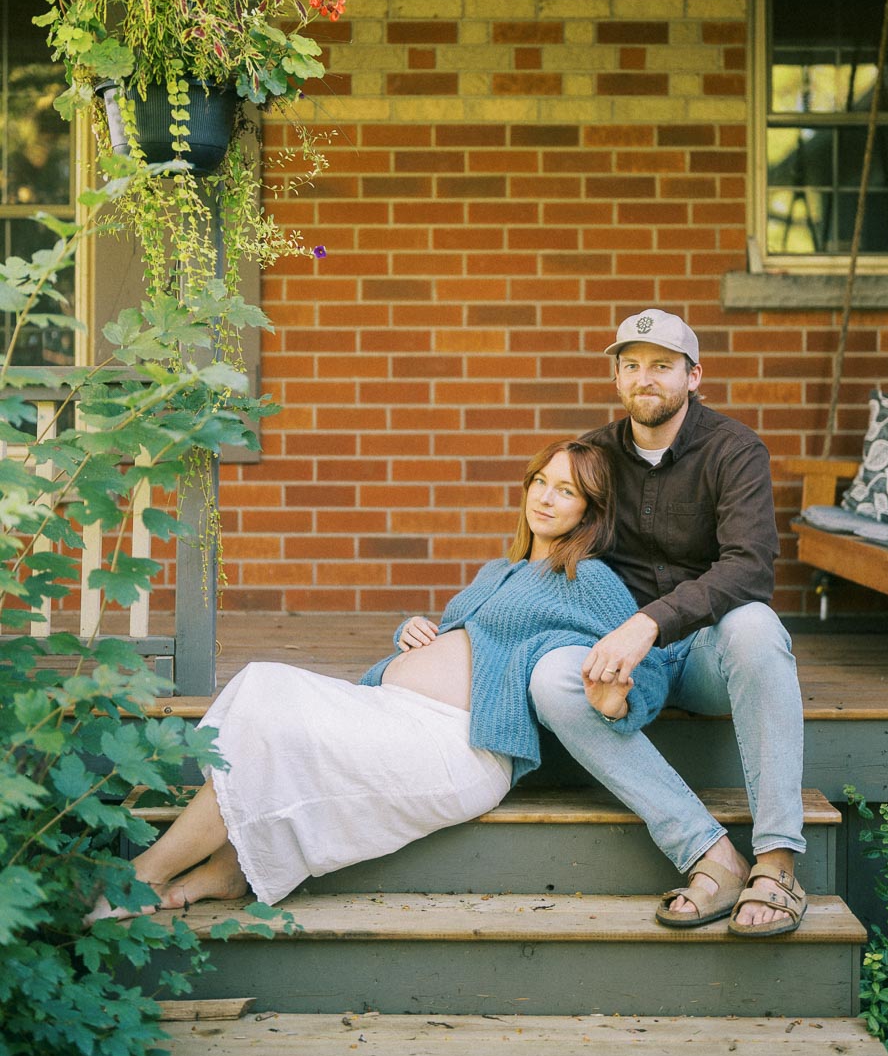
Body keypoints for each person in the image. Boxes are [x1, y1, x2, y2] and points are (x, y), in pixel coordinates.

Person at [87, 439, 668, 922]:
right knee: (264, 685)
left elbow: (652, 660)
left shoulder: (587, 578)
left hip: (461, 746)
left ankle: (144, 875)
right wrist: (420, 634)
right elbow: (478, 642)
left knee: (270, 711)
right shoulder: (501, 569)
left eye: (565, 490)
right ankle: (224, 870)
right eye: (541, 480)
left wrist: (620, 703)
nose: (545, 496)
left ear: (591, 510)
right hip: (398, 713)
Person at [529, 309, 808, 937]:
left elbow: (749, 567)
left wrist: (649, 623)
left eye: (661, 365)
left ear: (693, 374)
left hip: (708, 651)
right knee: (550, 677)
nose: (644, 378)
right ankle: (712, 855)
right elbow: (545, 541)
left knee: (758, 626)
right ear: (617, 377)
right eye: (631, 365)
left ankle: (777, 862)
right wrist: (455, 623)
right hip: (629, 664)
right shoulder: (595, 455)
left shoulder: (734, 450)